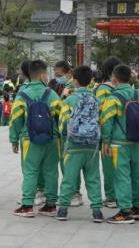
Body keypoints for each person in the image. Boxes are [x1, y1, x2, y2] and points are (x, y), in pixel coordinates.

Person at [10, 59, 62, 217]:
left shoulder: (22, 94)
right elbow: (62, 115)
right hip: (51, 139)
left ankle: (27, 206)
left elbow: (15, 119)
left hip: (29, 139)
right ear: (41, 75)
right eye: (46, 74)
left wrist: (14, 139)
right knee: (51, 171)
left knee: (30, 171)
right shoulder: (51, 94)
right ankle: (51, 205)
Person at [54, 65, 103, 223]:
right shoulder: (96, 100)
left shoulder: (69, 100)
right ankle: (96, 210)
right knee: (93, 177)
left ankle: (63, 209)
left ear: (74, 81)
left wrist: (64, 138)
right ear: (90, 81)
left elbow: (62, 123)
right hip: (92, 146)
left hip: (74, 145)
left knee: (69, 178)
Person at [100, 64, 139, 224]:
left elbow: (106, 120)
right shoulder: (137, 93)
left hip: (119, 143)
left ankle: (125, 211)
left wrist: (105, 141)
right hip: (136, 141)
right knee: (137, 173)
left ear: (114, 78)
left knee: (122, 175)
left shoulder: (112, 98)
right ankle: (137, 207)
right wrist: (136, 80)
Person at [95, 56, 121, 208]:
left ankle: (111, 197)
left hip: (109, 135)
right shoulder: (127, 88)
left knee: (109, 167)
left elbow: (101, 112)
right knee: (123, 168)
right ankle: (124, 196)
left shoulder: (103, 89)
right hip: (125, 136)